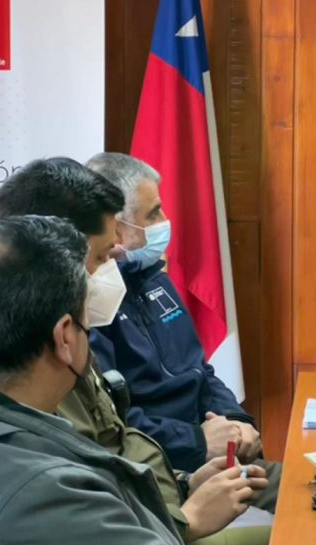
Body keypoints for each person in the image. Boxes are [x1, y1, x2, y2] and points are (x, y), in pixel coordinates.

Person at [0, 215, 316, 545]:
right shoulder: (41, 491)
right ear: (65, 337)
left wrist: (184, 486)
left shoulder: (23, 438)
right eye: (86, 325)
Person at [0, 157, 271, 545]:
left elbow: (117, 445)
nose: (119, 255)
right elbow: (92, 518)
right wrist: (186, 514)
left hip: (155, 519)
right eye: (104, 252)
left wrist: (181, 485)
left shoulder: (57, 354)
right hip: (145, 537)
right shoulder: (43, 368)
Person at [85, 153, 280, 507]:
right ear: (116, 228)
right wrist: (198, 442)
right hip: (163, 472)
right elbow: (113, 421)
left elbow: (200, 372)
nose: (165, 222)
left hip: (217, 457)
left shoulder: (154, 281)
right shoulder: (94, 306)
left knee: (312, 490)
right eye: (154, 213)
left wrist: (236, 422)